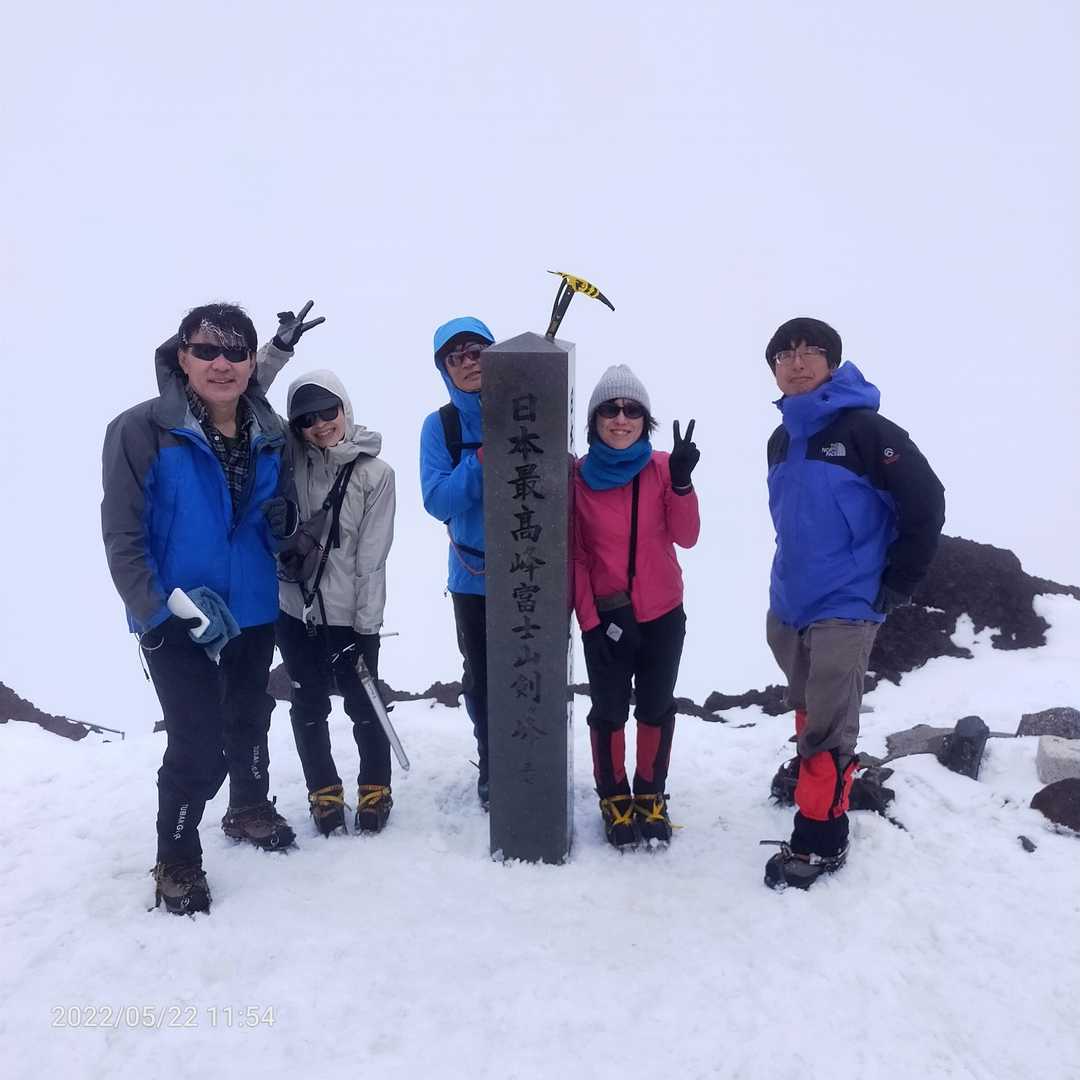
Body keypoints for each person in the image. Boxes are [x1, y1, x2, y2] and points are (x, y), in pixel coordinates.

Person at [101, 302, 310, 916]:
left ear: (249, 362)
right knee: (196, 742)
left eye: (235, 352)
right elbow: (122, 536)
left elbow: (278, 525)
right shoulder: (140, 429)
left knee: (249, 714)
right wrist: (154, 614)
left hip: (252, 605)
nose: (222, 363)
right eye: (207, 350)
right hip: (175, 613)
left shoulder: (270, 431)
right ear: (182, 357)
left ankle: (248, 807)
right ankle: (176, 858)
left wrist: (286, 527)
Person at [761, 316, 945, 890]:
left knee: (831, 723)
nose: (796, 362)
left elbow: (926, 500)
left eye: (809, 351)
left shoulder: (866, 430)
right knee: (806, 702)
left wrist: (902, 578)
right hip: (791, 599)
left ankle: (821, 836)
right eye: (784, 354)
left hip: (847, 600)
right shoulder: (782, 438)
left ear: (832, 363)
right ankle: (811, 777)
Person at [258, 356, 397, 836]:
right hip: (294, 609)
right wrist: (276, 351)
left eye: (328, 411)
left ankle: (375, 789)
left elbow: (372, 558)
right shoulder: (288, 458)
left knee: (364, 704)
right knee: (308, 704)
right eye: (306, 418)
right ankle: (324, 792)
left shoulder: (376, 474)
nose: (319, 425)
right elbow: (247, 395)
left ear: (345, 408)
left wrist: (365, 626)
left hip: (350, 616)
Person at [572, 365, 701, 849]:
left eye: (632, 410)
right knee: (608, 711)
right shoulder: (578, 478)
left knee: (655, 706)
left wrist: (683, 485)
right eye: (610, 409)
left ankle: (650, 794)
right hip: (607, 616)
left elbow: (687, 537)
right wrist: (591, 622)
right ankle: (613, 798)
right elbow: (575, 556)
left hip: (663, 612)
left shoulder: (665, 468)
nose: (621, 419)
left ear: (645, 421)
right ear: (594, 420)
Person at [420, 316, 495, 807]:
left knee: (537, 669)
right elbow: (438, 500)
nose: (468, 362)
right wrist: (479, 460)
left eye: (477, 351)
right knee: (482, 678)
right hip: (473, 578)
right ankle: (493, 763)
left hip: (536, 570)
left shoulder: (532, 408)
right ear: (444, 369)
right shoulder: (441, 426)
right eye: (455, 357)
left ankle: (537, 759)